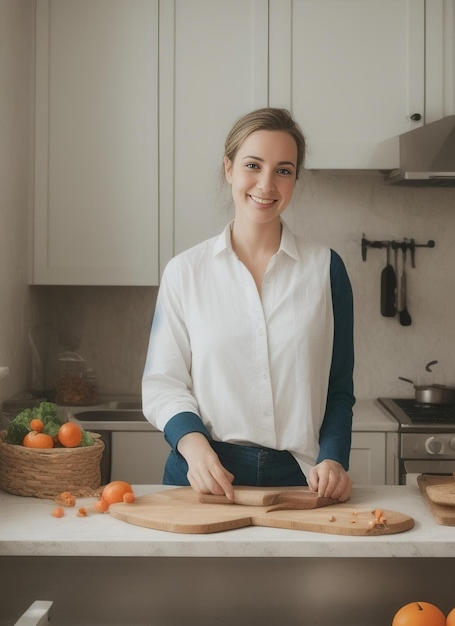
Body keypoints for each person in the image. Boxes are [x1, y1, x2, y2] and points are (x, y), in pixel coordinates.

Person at [142, 108, 355, 502]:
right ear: (229, 169)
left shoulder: (326, 270)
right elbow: (163, 384)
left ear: (295, 180)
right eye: (253, 165)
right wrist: (194, 447)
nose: (266, 183)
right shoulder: (185, 272)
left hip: (298, 480)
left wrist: (334, 459)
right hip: (204, 474)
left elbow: (338, 387)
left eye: (284, 170)